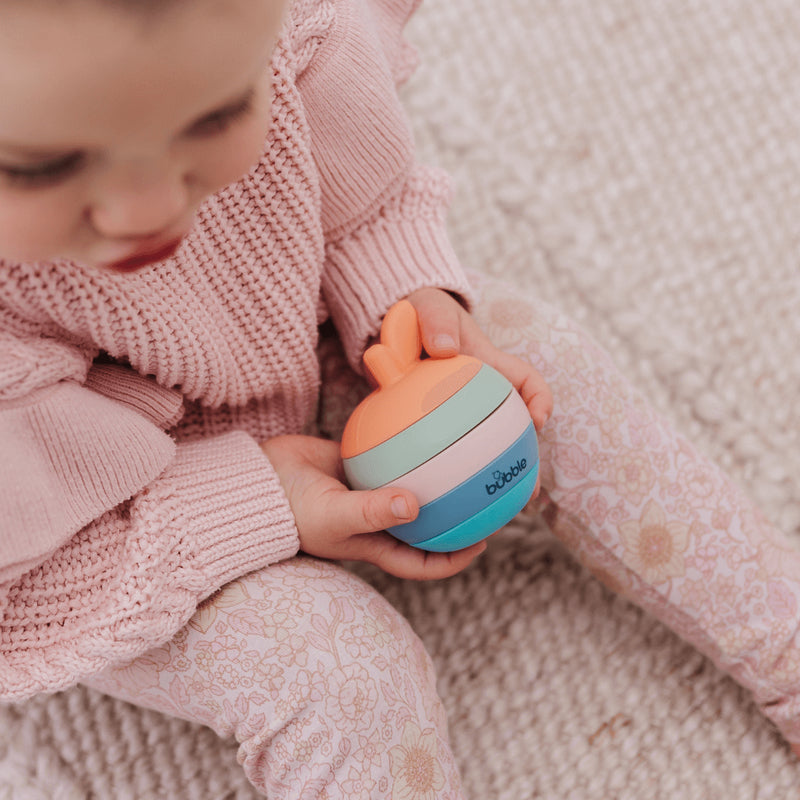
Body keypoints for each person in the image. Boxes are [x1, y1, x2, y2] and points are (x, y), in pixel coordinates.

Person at [0, 0, 797, 796]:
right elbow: (26, 565)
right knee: (342, 668)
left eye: (212, 115)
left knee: (537, 358)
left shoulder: (283, 31)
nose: (148, 208)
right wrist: (251, 501)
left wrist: (399, 297)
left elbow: (359, 194)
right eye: (39, 167)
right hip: (101, 536)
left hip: (301, 343)